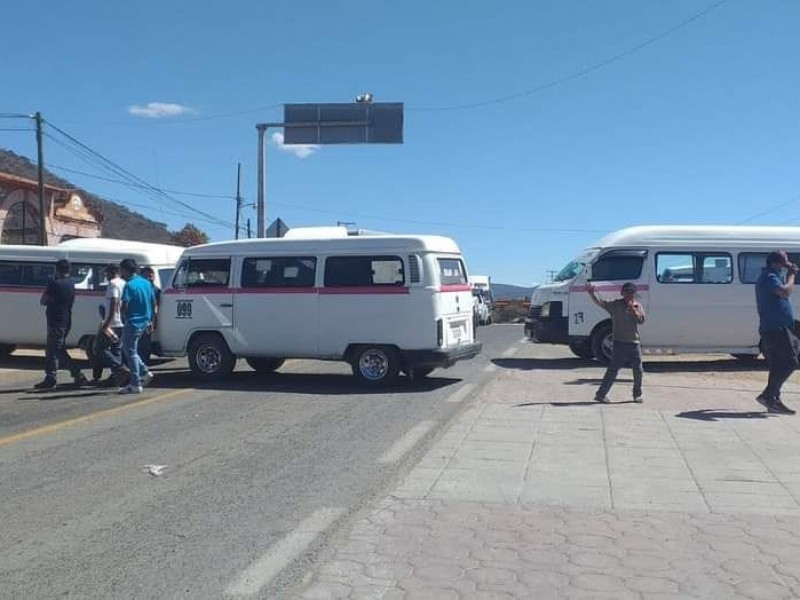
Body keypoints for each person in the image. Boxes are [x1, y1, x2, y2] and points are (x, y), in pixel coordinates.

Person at [586, 281, 646, 403]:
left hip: (634, 343)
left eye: (632, 293)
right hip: (619, 343)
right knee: (613, 370)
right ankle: (601, 394)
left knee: (638, 370)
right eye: (627, 292)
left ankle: (637, 394)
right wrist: (592, 293)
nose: (629, 295)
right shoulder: (616, 305)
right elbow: (601, 303)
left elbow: (641, 321)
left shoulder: (637, 306)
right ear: (622, 293)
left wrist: (634, 311)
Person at [755, 251, 799, 415]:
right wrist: (791, 275)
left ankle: (774, 399)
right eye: (785, 261)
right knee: (790, 362)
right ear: (777, 263)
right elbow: (785, 292)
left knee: (779, 364)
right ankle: (767, 395)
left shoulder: (771, 275)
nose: (787, 264)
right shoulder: (769, 277)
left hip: (779, 327)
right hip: (776, 328)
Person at [34, 258, 88, 389]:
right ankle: (50, 377)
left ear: (57, 269)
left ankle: (77, 374)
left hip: (55, 321)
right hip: (66, 319)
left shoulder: (55, 283)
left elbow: (43, 300)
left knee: (57, 349)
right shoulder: (71, 283)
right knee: (52, 349)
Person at [119, 258, 156, 394]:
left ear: (125, 270)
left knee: (129, 352)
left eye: (121, 270)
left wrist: (123, 317)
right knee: (131, 350)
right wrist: (152, 320)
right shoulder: (146, 283)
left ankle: (135, 382)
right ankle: (144, 372)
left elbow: (124, 306)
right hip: (145, 321)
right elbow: (153, 303)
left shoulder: (129, 285)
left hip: (133, 321)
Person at [91, 264, 129, 387]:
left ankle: (120, 369)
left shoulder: (113, 284)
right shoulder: (124, 283)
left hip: (111, 323)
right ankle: (116, 376)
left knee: (99, 348)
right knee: (116, 348)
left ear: (112, 272)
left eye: (106, 273)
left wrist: (107, 322)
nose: (105, 275)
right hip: (120, 322)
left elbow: (114, 301)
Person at [137, 267, 161, 363]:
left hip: (148, 321)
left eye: (151, 276)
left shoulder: (156, 291)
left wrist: (153, 321)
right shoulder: (137, 289)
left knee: (145, 346)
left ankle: (143, 366)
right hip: (137, 320)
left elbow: (156, 307)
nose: (149, 278)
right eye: (146, 276)